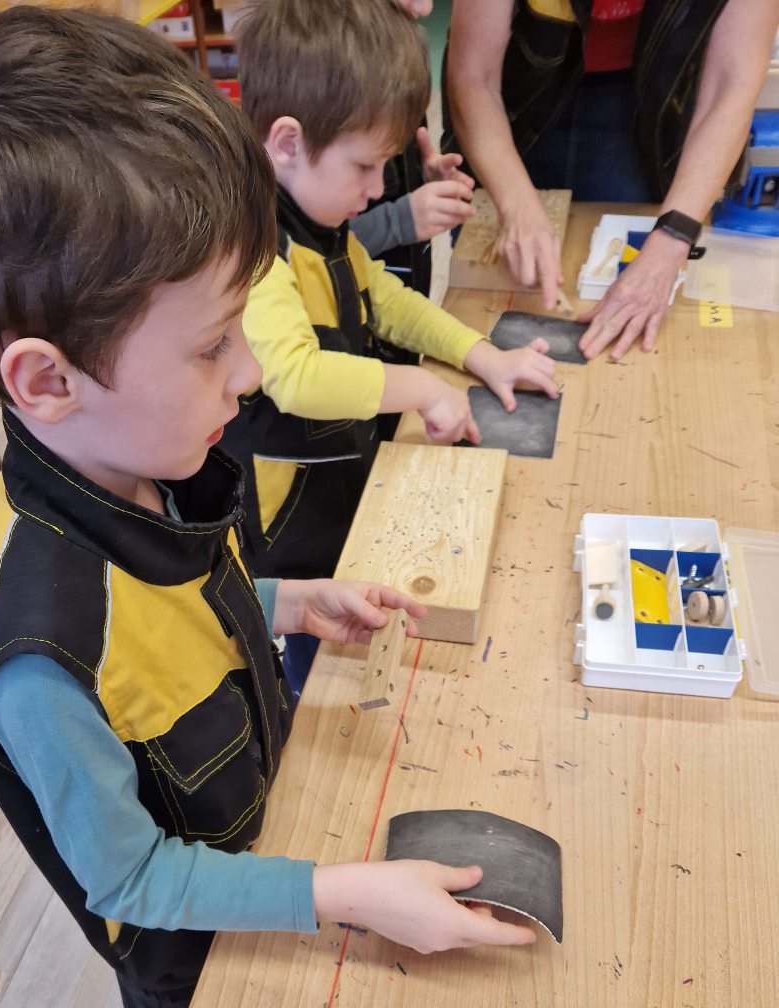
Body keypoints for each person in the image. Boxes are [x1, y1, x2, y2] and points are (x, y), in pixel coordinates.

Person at [0, 6, 536, 1008]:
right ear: (47, 381)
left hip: (268, 845)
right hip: (199, 950)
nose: (249, 372)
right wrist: (340, 893)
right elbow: (133, 877)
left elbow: (185, 607)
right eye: (211, 345)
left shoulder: (148, 455)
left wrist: (287, 602)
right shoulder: (41, 661)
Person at [225, 0, 557, 693]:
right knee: (323, 677)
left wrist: (480, 355)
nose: (379, 189)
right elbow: (296, 377)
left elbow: (383, 297)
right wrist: (423, 387)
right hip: (291, 539)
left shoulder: (317, 219)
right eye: (366, 166)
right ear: (286, 143)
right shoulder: (253, 248)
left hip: (343, 496)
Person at [442, 0, 779, 360]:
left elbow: (730, 88)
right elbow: (475, 76)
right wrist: (517, 206)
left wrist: (671, 241)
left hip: (643, 91)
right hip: (511, 89)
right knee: (490, 290)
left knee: (618, 300)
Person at [350, 0, 477, 305]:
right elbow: (300, 250)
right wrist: (398, 222)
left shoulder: (392, 63)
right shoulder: (323, 87)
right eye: (363, 166)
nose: (425, 7)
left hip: (399, 297)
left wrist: (421, 179)